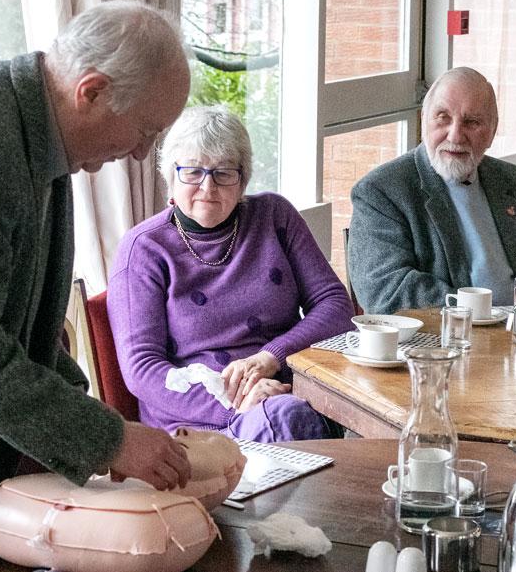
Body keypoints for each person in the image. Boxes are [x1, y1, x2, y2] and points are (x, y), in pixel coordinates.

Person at [0, 1, 193, 569]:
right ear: (90, 91)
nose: (143, 153)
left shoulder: (32, 127)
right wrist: (109, 440)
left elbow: (27, 330)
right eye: (145, 130)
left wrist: (102, 427)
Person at [107, 105, 355, 443]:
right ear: (170, 175)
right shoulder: (145, 248)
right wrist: (235, 402)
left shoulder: (274, 216)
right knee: (290, 422)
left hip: (285, 391)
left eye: (223, 173)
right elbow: (143, 370)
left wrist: (270, 357)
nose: (207, 188)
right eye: (192, 172)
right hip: (197, 422)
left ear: (243, 180)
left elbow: (335, 305)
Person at [348, 66, 516, 314]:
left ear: (492, 132)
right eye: (443, 117)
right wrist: (481, 315)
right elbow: (386, 291)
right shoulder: (382, 192)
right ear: (424, 118)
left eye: (472, 122)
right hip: (444, 343)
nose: (455, 136)